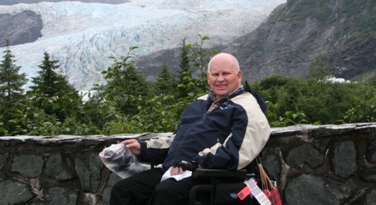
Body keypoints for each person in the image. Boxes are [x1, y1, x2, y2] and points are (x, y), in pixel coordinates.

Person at [110, 53, 271, 205]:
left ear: (238, 76)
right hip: (174, 169)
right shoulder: (199, 103)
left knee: (166, 193)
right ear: (208, 77)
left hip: (208, 174)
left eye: (225, 74)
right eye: (215, 74)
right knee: (123, 190)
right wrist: (143, 148)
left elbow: (237, 150)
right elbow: (178, 140)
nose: (220, 79)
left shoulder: (247, 107)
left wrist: (196, 163)